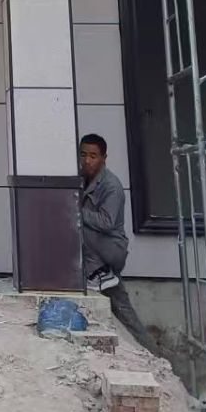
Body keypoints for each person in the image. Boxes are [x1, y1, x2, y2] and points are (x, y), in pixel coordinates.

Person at [79, 132, 153, 349]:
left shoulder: (111, 186)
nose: (87, 161)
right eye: (83, 155)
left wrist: (76, 210)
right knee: (123, 311)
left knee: (75, 223)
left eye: (93, 156)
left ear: (104, 158)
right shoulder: (82, 179)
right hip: (97, 253)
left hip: (111, 249)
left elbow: (106, 222)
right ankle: (151, 351)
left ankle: (100, 273)